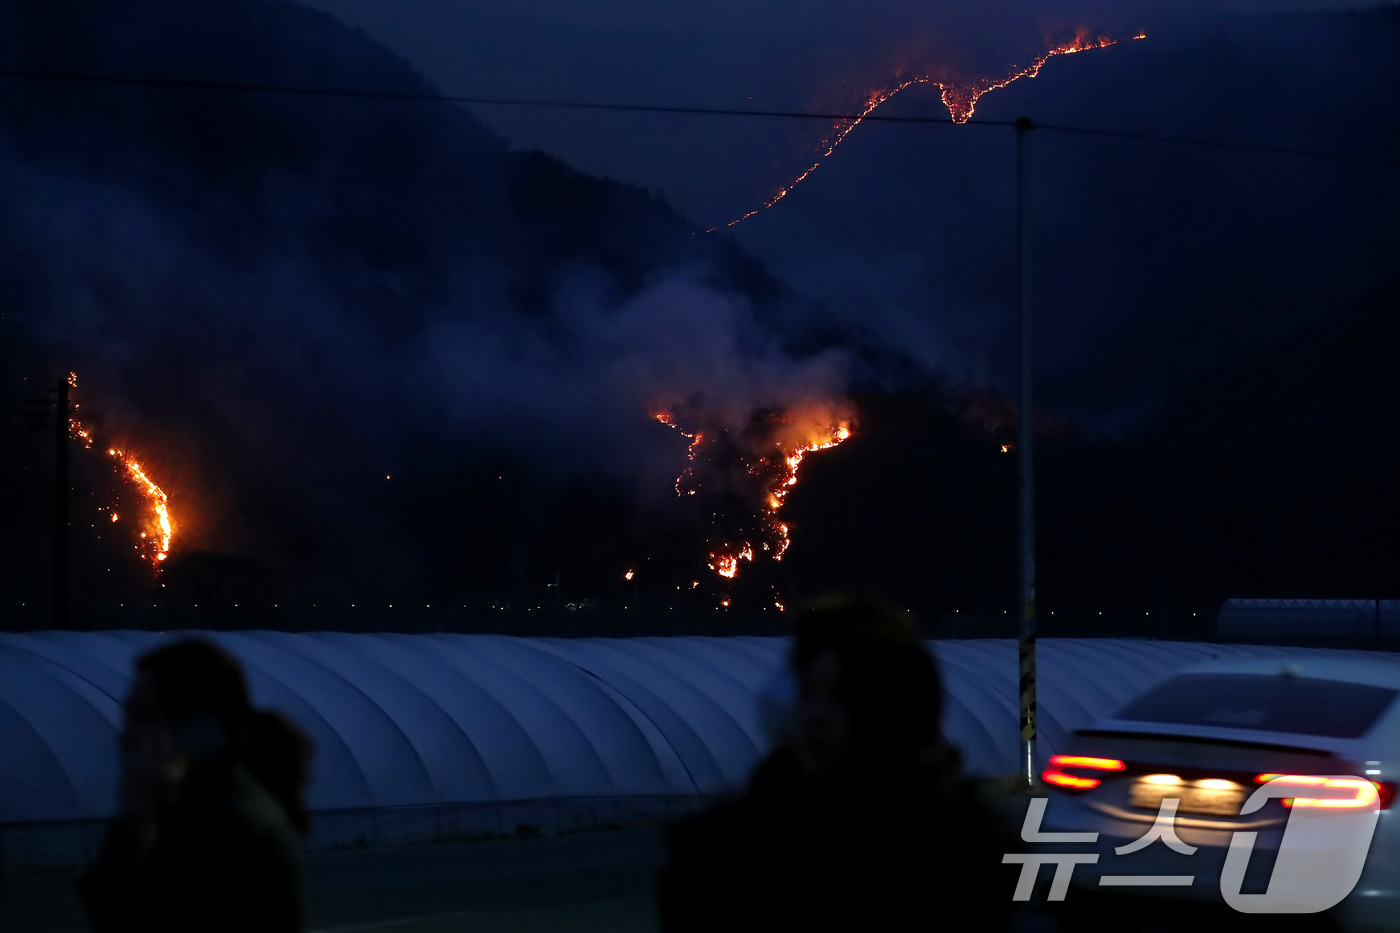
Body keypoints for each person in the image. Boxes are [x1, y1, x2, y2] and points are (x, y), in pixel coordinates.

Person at [658, 594, 1017, 931]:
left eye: (846, 695)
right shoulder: (720, 848)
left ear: (902, 710)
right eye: (810, 692)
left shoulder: (965, 847)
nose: (817, 715)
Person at [81, 638, 314, 933]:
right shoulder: (193, 812)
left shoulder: (232, 830)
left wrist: (133, 819)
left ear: (200, 731)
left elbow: (127, 919)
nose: (127, 734)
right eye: (128, 716)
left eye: (144, 717)